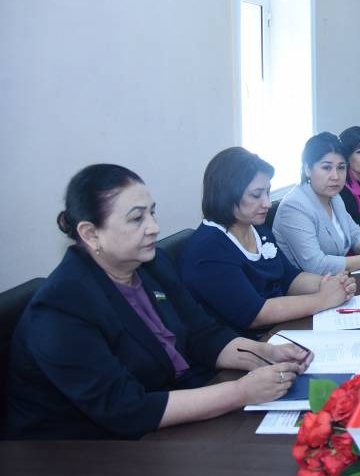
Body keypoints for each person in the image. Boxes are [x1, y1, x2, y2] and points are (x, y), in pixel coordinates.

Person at [5, 164, 311, 439]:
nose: (154, 227)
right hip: (77, 448)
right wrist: (241, 392)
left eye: (152, 213)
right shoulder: (62, 306)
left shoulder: (152, 264)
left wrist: (265, 353)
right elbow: (125, 409)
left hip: (169, 403)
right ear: (91, 234)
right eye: (137, 218)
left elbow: (203, 334)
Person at [179, 147, 358, 337]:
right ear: (226, 194)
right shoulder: (208, 249)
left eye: (268, 192)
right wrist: (323, 299)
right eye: (256, 195)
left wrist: (333, 283)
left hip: (279, 328)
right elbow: (255, 314)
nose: (267, 203)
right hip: (249, 343)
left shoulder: (255, 228)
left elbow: (290, 278)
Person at [273, 133, 360, 275]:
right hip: (312, 285)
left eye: (341, 168)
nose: (335, 176)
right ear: (307, 169)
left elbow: (356, 233)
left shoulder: (334, 197)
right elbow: (316, 265)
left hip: (340, 279)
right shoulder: (294, 206)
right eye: (326, 168)